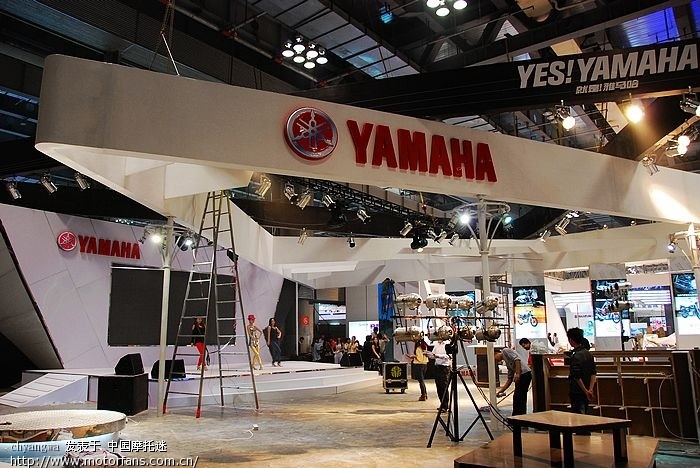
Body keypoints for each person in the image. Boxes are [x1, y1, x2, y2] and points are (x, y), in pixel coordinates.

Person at [566, 327, 597, 416]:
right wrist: (590, 389)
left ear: (571, 340)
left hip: (577, 391)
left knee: (577, 415)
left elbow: (576, 376)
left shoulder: (575, 356)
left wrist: (585, 391)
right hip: (588, 388)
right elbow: (593, 373)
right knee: (585, 413)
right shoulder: (589, 354)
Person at [494, 346, 532, 416]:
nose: (496, 361)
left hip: (525, 374)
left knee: (519, 397)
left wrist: (518, 374)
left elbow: (517, 359)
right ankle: (518, 415)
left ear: (496, 353)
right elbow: (509, 379)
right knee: (518, 397)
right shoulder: (508, 364)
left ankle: (518, 416)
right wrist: (500, 391)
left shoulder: (505, 351)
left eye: (494, 359)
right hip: (522, 376)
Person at [430, 338, 452, 412]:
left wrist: (438, 356)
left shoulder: (447, 344)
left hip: (445, 368)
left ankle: (445, 406)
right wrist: (428, 354)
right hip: (437, 367)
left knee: (444, 387)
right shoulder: (436, 344)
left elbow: (449, 356)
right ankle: (442, 404)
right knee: (438, 387)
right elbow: (433, 354)